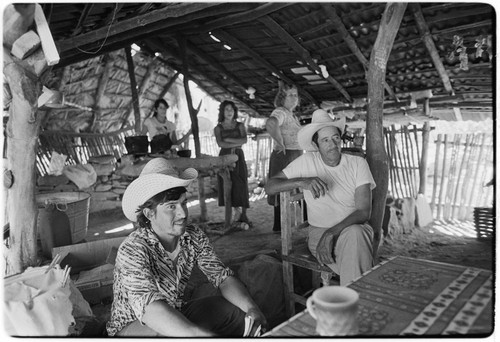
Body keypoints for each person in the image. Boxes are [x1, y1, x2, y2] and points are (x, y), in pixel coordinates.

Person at [106, 158, 266, 336]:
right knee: (166, 333)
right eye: (171, 206)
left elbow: (222, 277)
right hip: (133, 325)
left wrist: (252, 308)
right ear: (149, 213)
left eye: (183, 203)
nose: (182, 213)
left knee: (234, 313)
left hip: (174, 310)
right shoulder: (132, 249)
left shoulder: (192, 236)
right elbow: (149, 310)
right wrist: (199, 335)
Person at [265, 109, 375, 285]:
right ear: (316, 145)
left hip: (353, 230)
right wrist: (302, 182)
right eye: (325, 140)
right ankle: (359, 298)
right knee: (358, 261)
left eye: (335, 138)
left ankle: (350, 298)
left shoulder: (358, 164)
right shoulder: (307, 161)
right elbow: (270, 186)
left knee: (356, 235)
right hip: (319, 233)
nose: (332, 144)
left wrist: (331, 233)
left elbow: (363, 212)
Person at [265, 81, 303, 232]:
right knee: (282, 189)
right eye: (290, 95)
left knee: (297, 188)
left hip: (293, 155)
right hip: (285, 156)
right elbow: (271, 123)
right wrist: (279, 141)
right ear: (282, 98)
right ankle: (280, 227)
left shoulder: (291, 115)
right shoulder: (280, 112)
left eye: (296, 95)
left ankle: (305, 220)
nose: (294, 98)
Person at [214, 100, 250, 224]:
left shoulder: (240, 125)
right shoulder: (218, 128)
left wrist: (228, 139)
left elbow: (244, 140)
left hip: (238, 156)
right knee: (228, 183)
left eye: (231, 109)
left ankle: (244, 214)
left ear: (235, 111)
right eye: (226, 109)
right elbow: (220, 143)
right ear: (222, 112)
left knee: (241, 182)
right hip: (224, 157)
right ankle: (234, 212)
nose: (229, 112)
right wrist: (236, 141)